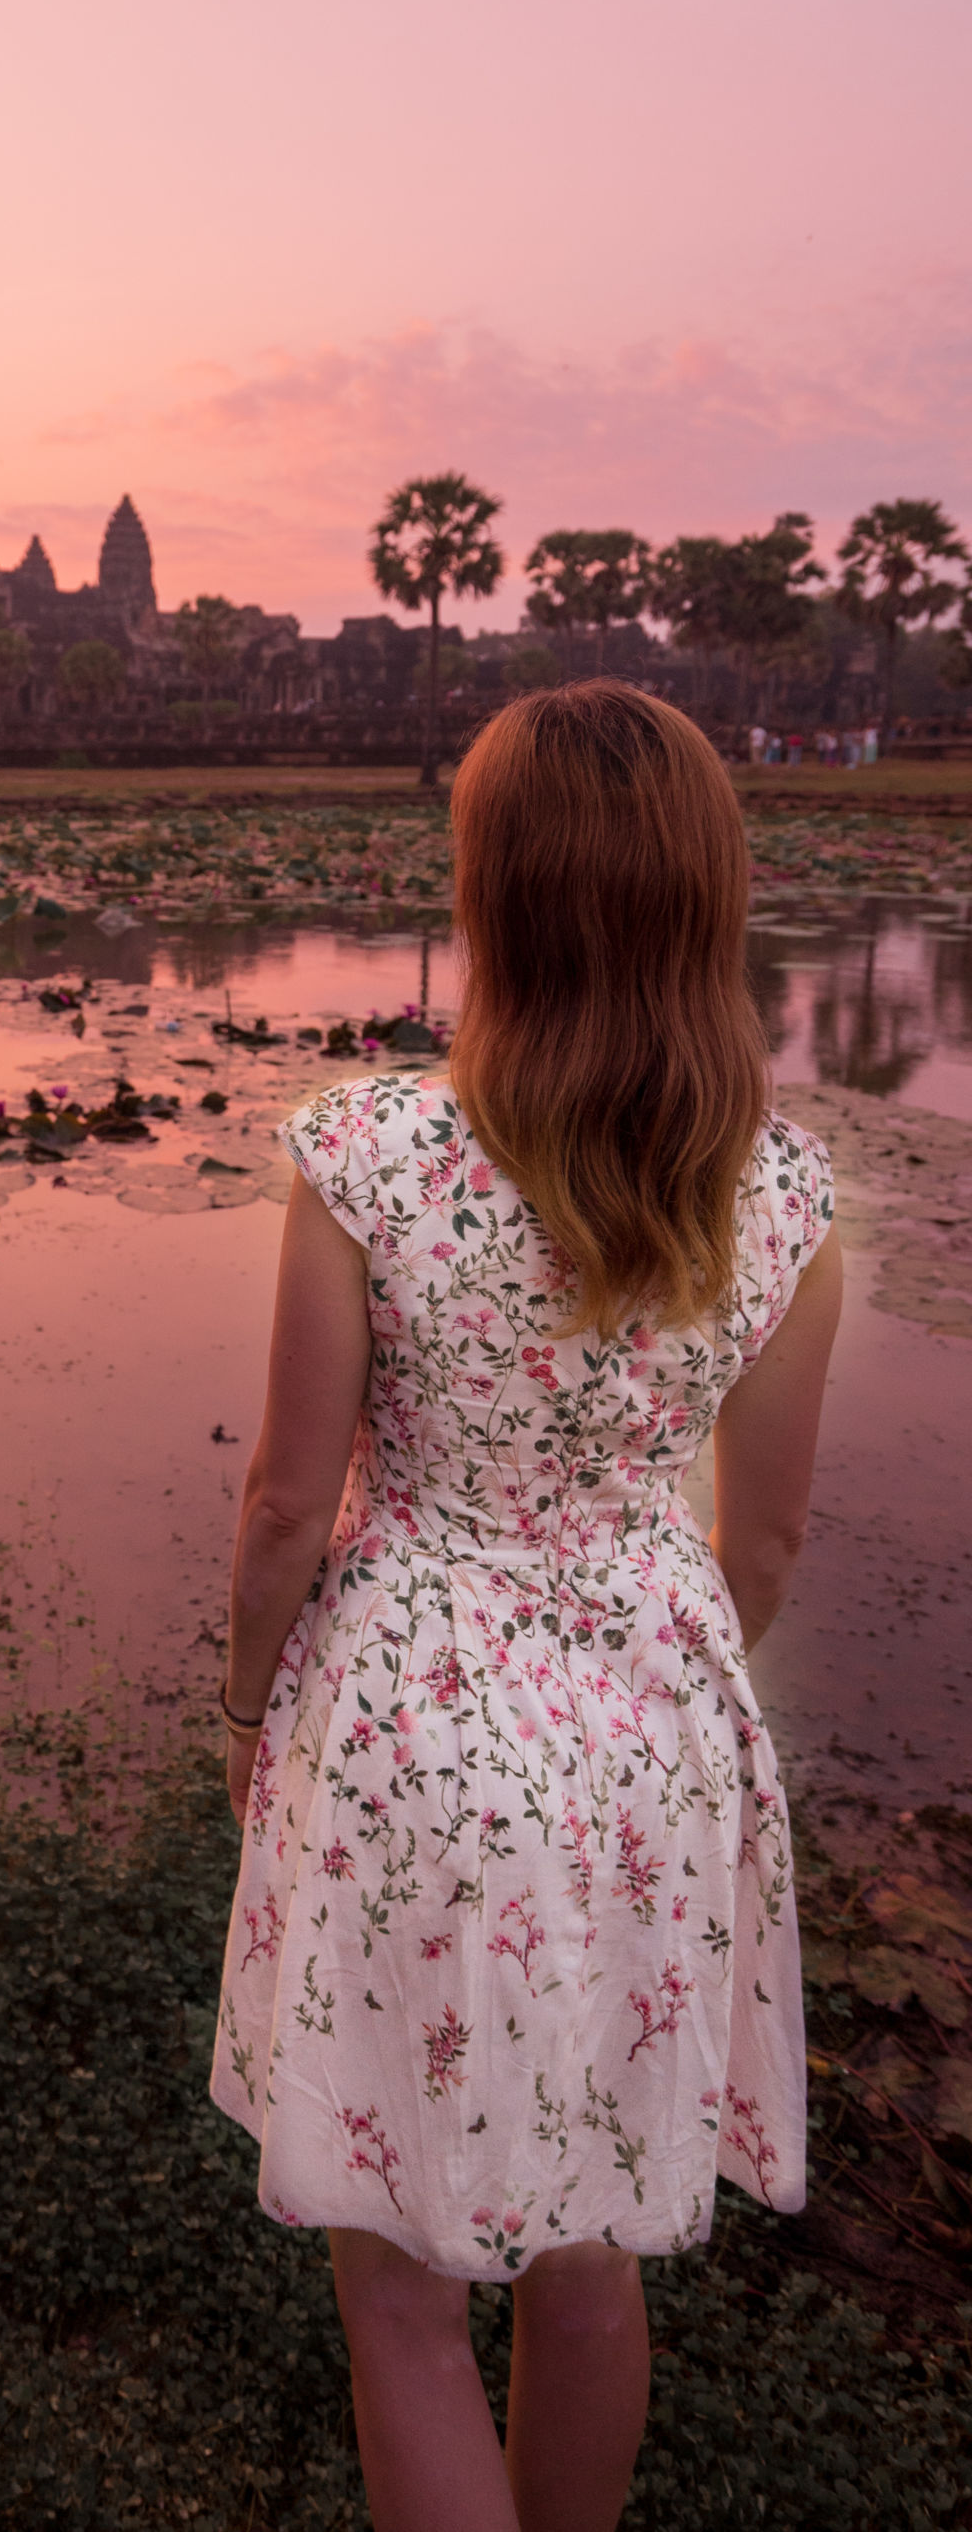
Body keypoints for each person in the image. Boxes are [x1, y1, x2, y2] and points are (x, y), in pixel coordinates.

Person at [211, 685, 839, 2532]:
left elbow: (278, 1505)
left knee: (401, 2298)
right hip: (657, 1717)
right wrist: (630, 1684)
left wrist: (247, 1705)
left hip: (410, 1716)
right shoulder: (781, 1188)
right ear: (697, 900)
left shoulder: (373, 1156)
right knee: (589, 2243)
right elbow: (772, 1545)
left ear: (492, 890)